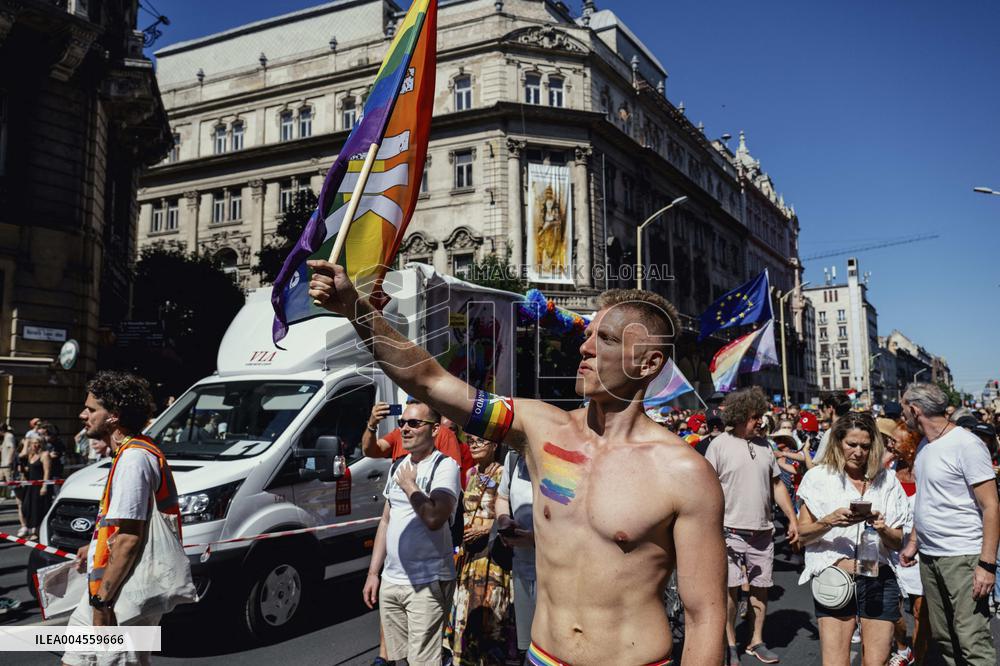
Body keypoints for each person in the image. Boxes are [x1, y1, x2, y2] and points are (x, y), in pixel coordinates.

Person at [310, 262, 727, 666]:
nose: (584, 346)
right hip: (542, 657)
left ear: (648, 363)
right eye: (588, 334)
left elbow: (704, 616)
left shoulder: (684, 473)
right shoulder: (540, 429)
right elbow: (430, 381)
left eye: (607, 339)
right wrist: (356, 310)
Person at [64, 371, 182, 666]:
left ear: (114, 415)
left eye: (91, 409)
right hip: (107, 586)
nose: (83, 415)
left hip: (121, 592)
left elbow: (130, 539)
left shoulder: (133, 459)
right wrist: (92, 550)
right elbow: (120, 528)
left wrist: (102, 602)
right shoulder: (131, 452)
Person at [795, 412, 909, 666]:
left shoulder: (887, 480)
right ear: (838, 443)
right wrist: (830, 520)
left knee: (876, 662)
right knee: (835, 662)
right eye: (852, 444)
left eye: (865, 446)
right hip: (836, 580)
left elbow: (897, 541)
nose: (858, 452)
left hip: (878, 579)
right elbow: (801, 535)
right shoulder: (818, 478)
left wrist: (882, 527)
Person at [898, 383, 999, 666]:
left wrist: (987, 565)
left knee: (972, 640)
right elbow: (926, 499)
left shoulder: (966, 444)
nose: (902, 413)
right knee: (944, 637)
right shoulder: (924, 445)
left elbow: (991, 505)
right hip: (930, 556)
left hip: (963, 557)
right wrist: (914, 543)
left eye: (904, 406)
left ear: (915, 409)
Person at [704, 387, 799, 665]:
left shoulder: (765, 446)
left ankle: (756, 640)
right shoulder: (719, 445)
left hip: (763, 532)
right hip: (728, 531)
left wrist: (792, 519)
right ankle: (730, 644)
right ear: (740, 415)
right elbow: (707, 488)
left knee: (761, 587)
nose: (760, 421)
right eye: (756, 416)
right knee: (730, 590)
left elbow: (777, 484)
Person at [362, 401, 461, 666]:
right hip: (392, 580)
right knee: (399, 659)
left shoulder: (445, 466)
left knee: (424, 661)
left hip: (427, 580)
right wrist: (373, 574)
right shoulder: (398, 466)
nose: (405, 429)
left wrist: (410, 486)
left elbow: (434, 518)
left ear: (435, 430)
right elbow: (386, 520)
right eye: (402, 423)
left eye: (414, 423)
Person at [446, 434, 515, 665]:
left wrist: (484, 529)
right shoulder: (471, 474)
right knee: (467, 619)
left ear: (494, 445)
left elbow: (509, 515)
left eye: (480, 441)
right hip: (469, 558)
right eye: (470, 441)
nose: (473, 445)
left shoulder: (503, 473)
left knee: (491, 621)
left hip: (493, 558)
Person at [888, 423, 928, 666]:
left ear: (912, 447)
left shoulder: (926, 472)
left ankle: (922, 657)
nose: (890, 444)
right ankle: (903, 648)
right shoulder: (889, 469)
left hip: (920, 551)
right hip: (890, 548)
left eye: (896, 441)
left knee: (920, 611)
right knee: (892, 609)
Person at [496, 446, 535, 664]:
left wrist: (536, 540)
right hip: (522, 568)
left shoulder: (560, 458)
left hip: (557, 575)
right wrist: (503, 519)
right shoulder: (513, 458)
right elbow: (502, 497)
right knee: (528, 650)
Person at [20, 436, 52, 540]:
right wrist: (26, 444)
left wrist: (44, 486)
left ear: (41, 443)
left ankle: (37, 532)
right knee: (27, 508)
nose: (35, 445)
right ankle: (33, 530)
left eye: (37, 442)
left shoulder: (45, 455)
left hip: (40, 486)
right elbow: (21, 455)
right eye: (33, 443)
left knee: (38, 510)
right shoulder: (30, 455)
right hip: (30, 487)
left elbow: (47, 471)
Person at [814, 393, 852, 461]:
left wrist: (805, 450)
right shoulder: (854, 427)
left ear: (830, 408)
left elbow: (816, 464)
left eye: (824, 408)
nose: (822, 411)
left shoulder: (831, 433)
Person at [0, 423, 16, 500]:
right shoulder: (6, 437)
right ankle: (4, 495)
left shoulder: (9, 436)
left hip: (6, 463)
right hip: (3, 463)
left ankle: (15, 494)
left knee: (9, 480)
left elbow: (12, 448)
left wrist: (9, 461)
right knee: (1, 479)